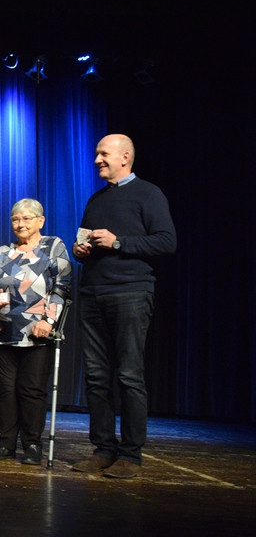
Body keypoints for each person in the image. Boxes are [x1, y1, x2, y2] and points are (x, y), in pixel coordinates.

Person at [71, 134, 176, 479]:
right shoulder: (96, 199)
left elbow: (166, 241)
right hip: (93, 292)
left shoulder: (148, 193)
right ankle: (103, 449)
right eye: (97, 154)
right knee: (97, 377)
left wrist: (118, 241)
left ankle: (131, 454)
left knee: (129, 375)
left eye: (104, 154)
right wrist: (80, 250)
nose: (98, 159)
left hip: (130, 292)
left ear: (125, 156)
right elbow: (83, 241)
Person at [0, 199, 71, 465]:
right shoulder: (2, 252)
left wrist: (49, 322)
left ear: (40, 221)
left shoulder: (53, 247)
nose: (20, 224)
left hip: (37, 332)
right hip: (4, 331)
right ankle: (5, 442)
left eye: (27, 219)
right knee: (6, 391)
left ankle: (32, 444)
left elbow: (62, 287)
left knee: (31, 390)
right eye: (16, 219)